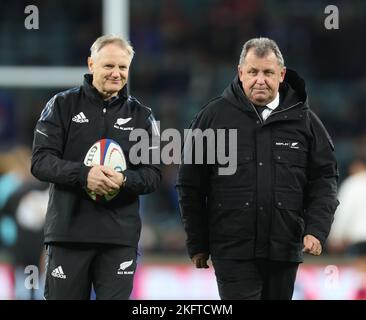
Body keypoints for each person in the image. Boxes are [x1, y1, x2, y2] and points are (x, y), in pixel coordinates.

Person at [176, 37, 339, 300]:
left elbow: (324, 180)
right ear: (240, 73)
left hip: (284, 250)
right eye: (252, 72)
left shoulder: (305, 121)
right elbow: (190, 185)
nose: (260, 79)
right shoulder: (211, 118)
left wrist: (316, 230)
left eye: (268, 72)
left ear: (282, 75)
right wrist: (197, 242)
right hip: (232, 251)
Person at [31, 34, 161, 300]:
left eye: (122, 67)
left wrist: (123, 180)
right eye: (108, 66)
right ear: (91, 64)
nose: (116, 73)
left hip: (118, 240)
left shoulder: (143, 117)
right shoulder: (61, 106)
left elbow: (154, 175)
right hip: (69, 235)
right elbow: (40, 162)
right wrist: (84, 174)